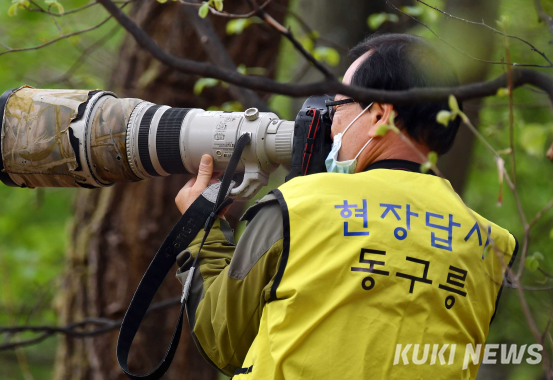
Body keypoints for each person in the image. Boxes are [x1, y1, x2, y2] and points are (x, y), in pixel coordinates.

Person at [173, 34, 518, 380]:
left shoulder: (297, 207)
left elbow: (226, 340)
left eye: (337, 109)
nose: (330, 124)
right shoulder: (492, 246)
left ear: (381, 114)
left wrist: (201, 230)